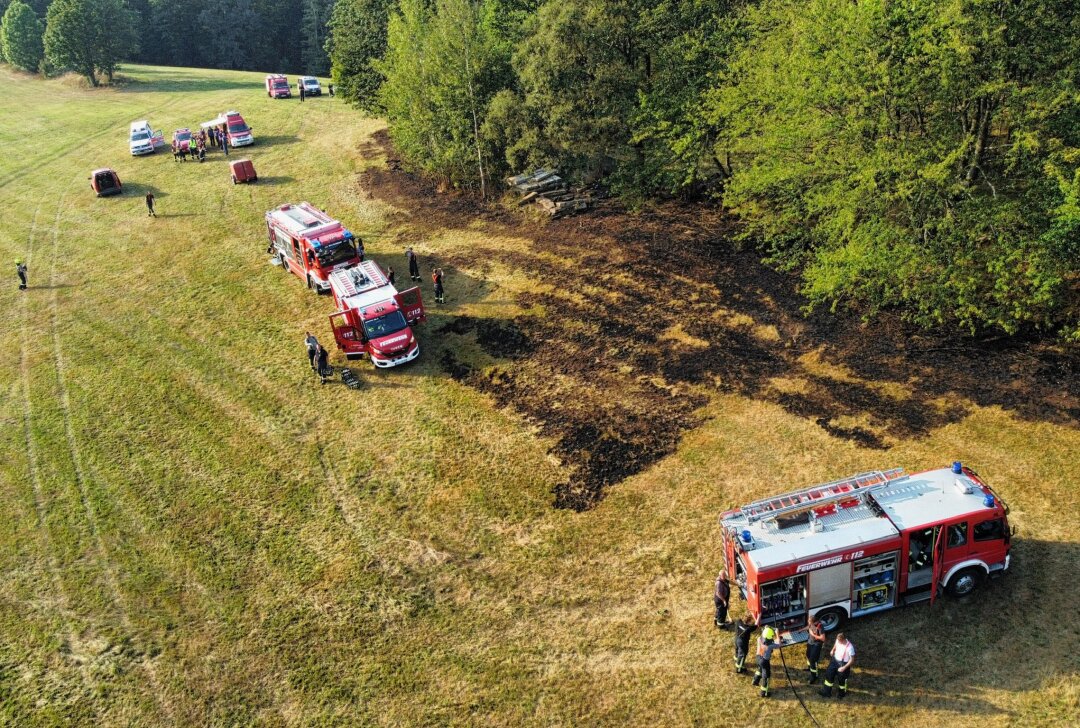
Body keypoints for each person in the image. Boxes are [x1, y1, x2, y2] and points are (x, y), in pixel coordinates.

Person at [819, 632, 855, 699]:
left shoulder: (850, 647)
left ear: (844, 639)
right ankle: (827, 692)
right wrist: (832, 650)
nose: (838, 642)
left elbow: (852, 660)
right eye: (837, 640)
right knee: (829, 674)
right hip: (834, 661)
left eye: (840, 641)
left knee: (842, 680)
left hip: (843, 664)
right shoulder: (838, 640)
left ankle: (842, 694)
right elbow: (835, 645)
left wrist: (844, 668)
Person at [752, 625, 780, 698]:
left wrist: (766, 628)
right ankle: (764, 693)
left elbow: (764, 634)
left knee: (759, 669)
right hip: (764, 661)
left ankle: (755, 680)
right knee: (766, 676)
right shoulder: (770, 645)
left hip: (758, 658)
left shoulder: (759, 638)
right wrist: (777, 633)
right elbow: (779, 644)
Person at [805, 614, 826, 684]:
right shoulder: (811, 624)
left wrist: (813, 634)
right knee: (808, 655)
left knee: (813, 660)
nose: (808, 622)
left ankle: (814, 676)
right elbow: (809, 627)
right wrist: (801, 630)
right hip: (810, 642)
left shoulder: (820, 626)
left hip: (816, 644)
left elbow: (823, 638)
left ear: (814, 622)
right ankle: (809, 668)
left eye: (809, 622)